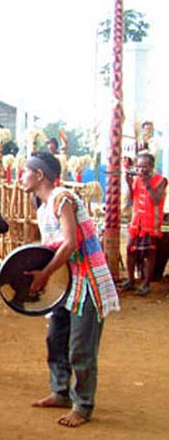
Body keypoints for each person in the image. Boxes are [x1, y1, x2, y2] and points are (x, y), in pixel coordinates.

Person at [21, 151, 120, 428]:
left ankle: (83, 405)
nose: (21, 177)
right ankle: (61, 392)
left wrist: (44, 275)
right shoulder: (43, 208)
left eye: (25, 171)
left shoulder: (62, 197)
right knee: (55, 340)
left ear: (40, 174)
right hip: (65, 284)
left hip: (88, 281)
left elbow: (70, 243)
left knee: (80, 348)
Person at [122, 153, 167, 295]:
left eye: (144, 167)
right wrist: (129, 183)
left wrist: (147, 183)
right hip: (137, 221)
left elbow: (156, 200)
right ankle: (130, 280)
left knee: (149, 253)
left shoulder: (161, 180)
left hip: (151, 222)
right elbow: (132, 197)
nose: (141, 170)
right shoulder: (137, 180)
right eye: (138, 167)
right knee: (130, 249)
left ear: (151, 167)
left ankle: (146, 284)